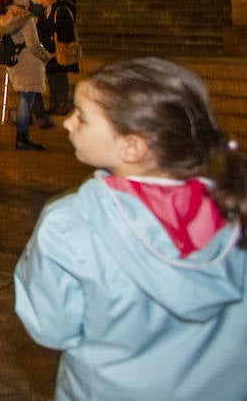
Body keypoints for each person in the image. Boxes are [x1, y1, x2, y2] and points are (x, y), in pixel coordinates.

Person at [14, 59, 247, 400]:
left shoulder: (69, 224)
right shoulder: (233, 209)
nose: (67, 123)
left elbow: (51, 326)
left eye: (81, 116)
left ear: (132, 147)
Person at [0, 0, 53, 151]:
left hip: (15, 64)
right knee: (26, 101)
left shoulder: (2, 18)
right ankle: (22, 137)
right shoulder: (25, 17)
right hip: (28, 64)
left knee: (24, 98)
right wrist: (47, 58)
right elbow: (32, 44)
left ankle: (23, 136)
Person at [37, 0, 78, 115]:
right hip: (49, 50)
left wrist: (47, 26)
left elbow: (64, 28)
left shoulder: (61, 10)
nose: (42, 0)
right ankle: (54, 103)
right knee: (52, 78)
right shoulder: (47, 11)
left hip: (59, 49)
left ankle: (62, 103)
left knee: (61, 77)